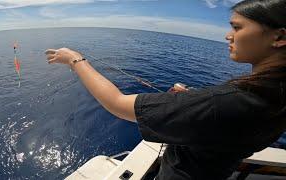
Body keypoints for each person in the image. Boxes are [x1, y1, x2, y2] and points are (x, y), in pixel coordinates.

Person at [45, 0, 286, 179]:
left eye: (237, 27)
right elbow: (226, 121)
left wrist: (75, 59)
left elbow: (117, 104)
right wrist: (193, 105)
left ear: (279, 37)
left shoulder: (226, 102)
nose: (227, 35)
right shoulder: (277, 97)